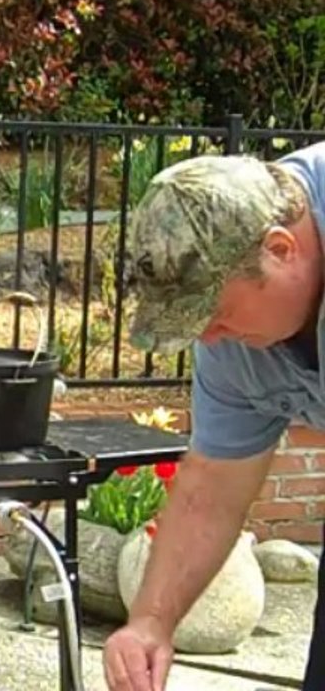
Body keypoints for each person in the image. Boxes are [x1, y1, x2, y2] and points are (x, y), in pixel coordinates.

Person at [103, 141, 325, 691]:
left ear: (280, 249)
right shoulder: (231, 345)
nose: (209, 337)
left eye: (216, 313)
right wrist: (151, 621)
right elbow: (213, 487)